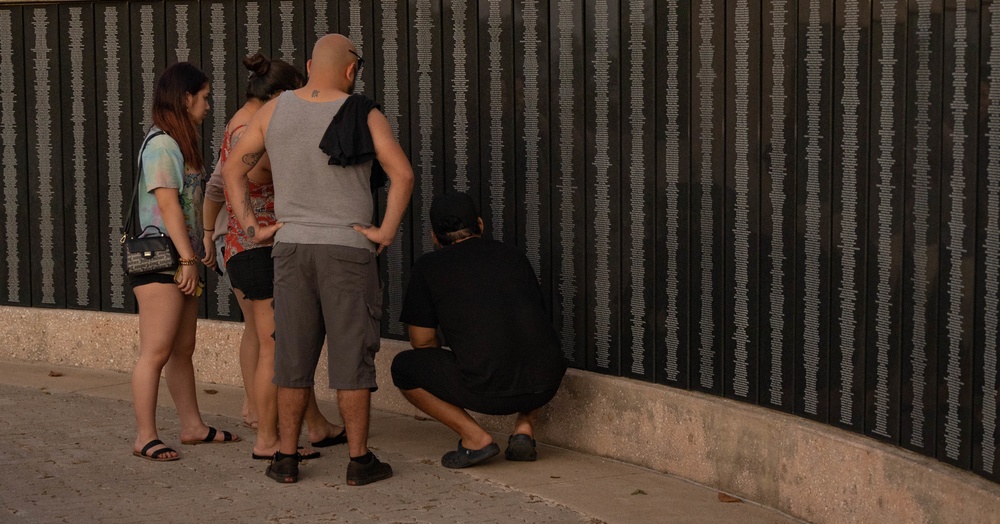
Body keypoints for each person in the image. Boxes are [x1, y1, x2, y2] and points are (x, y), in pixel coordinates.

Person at [223, 34, 414, 484]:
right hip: (347, 249)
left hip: (289, 247)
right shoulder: (364, 112)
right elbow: (402, 173)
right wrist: (384, 231)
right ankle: (359, 461)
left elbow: (233, 170)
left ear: (309, 65)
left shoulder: (273, 109)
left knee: (292, 355)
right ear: (350, 71)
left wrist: (253, 227)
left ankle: (285, 459)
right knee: (351, 357)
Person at [202, 54, 347, 462]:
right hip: (262, 250)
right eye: (297, 94)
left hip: (238, 248)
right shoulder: (260, 130)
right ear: (281, 93)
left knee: (258, 336)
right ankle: (269, 438)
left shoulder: (236, 122)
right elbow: (268, 178)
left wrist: (212, 234)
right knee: (276, 347)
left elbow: (217, 185)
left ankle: (303, 422)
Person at [391, 192, 567, 468]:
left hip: (488, 390)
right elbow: (533, 325)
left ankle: (475, 438)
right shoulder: (514, 256)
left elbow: (422, 342)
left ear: (435, 237)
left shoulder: (429, 267)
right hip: (547, 382)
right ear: (481, 225)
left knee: (404, 367)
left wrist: (459, 361)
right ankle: (524, 427)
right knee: (529, 345)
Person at [130, 62, 240, 462]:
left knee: (182, 349)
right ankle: (145, 435)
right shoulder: (162, 144)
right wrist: (189, 258)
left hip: (183, 258)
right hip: (163, 259)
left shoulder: (180, 141)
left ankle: (193, 426)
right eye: (205, 97)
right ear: (185, 97)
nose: (209, 105)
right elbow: (168, 206)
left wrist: (199, 247)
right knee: (156, 350)